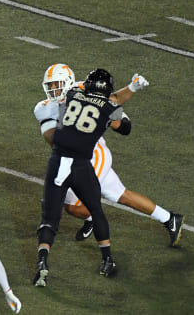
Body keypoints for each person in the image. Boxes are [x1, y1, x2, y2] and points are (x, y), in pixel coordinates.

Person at [35, 64, 184, 247]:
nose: (53, 90)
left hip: (93, 154)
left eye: (57, 84)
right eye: (49, 86)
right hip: (75, 156)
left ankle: (92, 217)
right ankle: (170, 219)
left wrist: (118, 118)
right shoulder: (43, 108)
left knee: (73, 206)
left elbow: (113, 106)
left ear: (68, 81)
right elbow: (53, 141)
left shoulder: (85, 90)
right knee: (120, 194)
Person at [34, 68, 133, 286]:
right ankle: (107, 259)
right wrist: (130, 93)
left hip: (58, 162)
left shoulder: (68, 97)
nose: (54, 90)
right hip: (80, 164)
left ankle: (42, 262)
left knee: (49, 219)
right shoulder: (103, 104)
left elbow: (53, 138)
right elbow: (124, 125)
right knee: (96, 210)